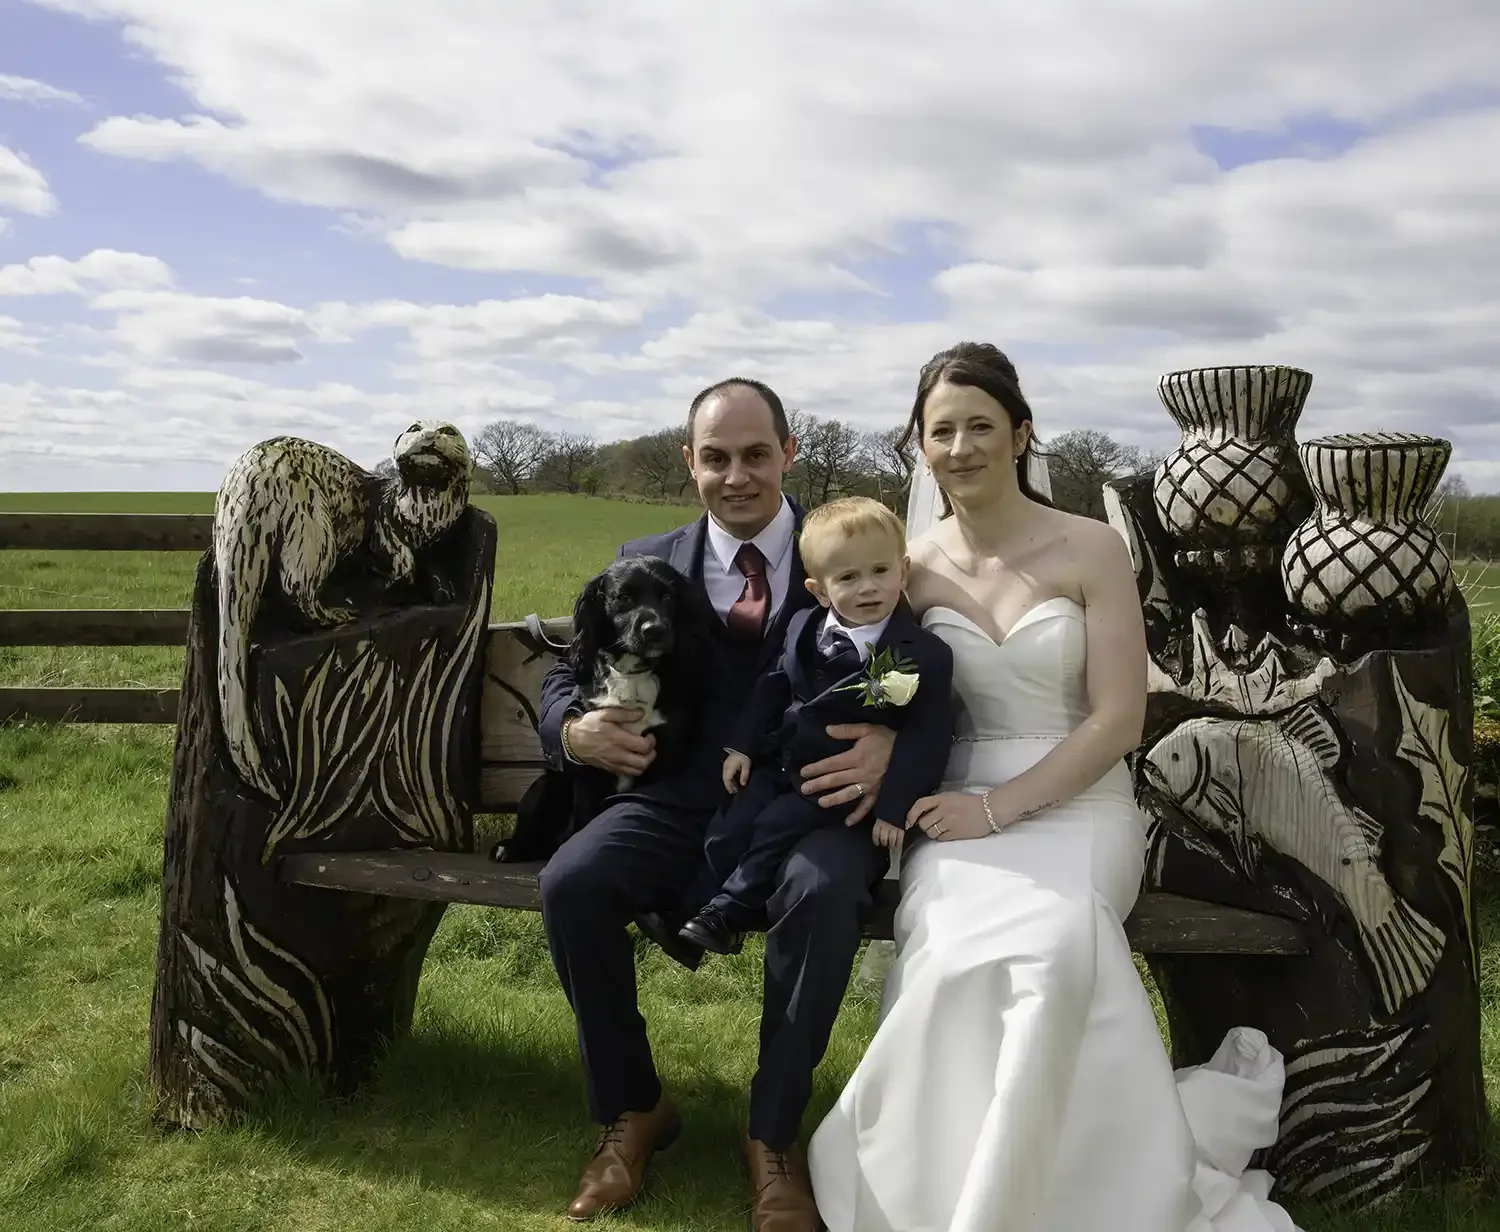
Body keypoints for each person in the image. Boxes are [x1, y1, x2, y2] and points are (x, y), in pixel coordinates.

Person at [806, 343, 1306, 1232]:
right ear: (919, 446)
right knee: (955, 953)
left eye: (980, 427)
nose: (960, 447)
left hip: (1080, 803)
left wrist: (998, 809)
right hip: (950, 807)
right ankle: (937, 1186)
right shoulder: (907, 569)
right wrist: (883, 746)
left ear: (1021, 433)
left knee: (1056, 946)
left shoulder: (1091, 548)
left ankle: (1081, 1189)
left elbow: (1117, 720)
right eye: (940, 431)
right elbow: (887, 690)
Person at [536, 379, 899, 1230]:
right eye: (717, 457)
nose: (737, 475)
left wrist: (887, 739)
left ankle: (772, 1139)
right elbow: (566, 667)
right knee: (573, 882)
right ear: (690, 462)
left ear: (790, 453)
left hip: (813, 801)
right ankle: (633, 1112)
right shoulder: (645, 554)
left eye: (756, 454)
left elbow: (903, 653)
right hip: (673, 797)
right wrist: (573, 730)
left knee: (821, 894)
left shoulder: (850, 546)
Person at [659, 496, 954, 960]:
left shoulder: (924, 654)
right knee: (730, 824)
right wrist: (741, 746)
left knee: (776, 826)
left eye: (881, 571)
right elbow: (771, 688)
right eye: (848, 578)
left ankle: (726, 912)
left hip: (837, 783)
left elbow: (927, 738)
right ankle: (695, 912)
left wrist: (894, 807)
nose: (868, 588)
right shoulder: (802, 626)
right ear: (819, 590)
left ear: (904, 570)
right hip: (780, 761)